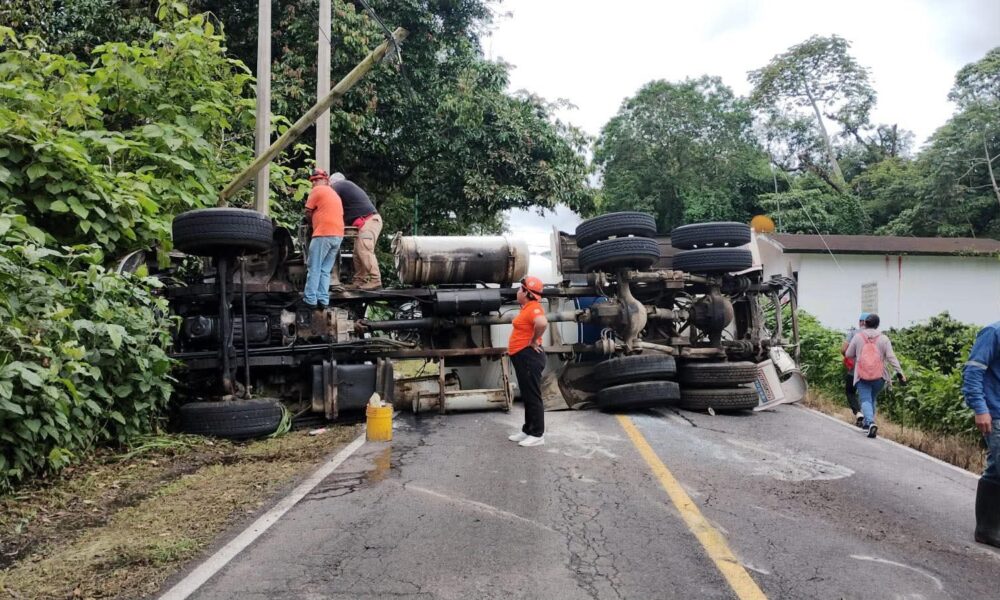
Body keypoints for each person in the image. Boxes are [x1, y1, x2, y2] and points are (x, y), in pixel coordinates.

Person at [961, 320, 1000, 548]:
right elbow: (973, 371)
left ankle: (987, 529)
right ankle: (987, 528)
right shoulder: (993, 332)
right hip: (995, 412)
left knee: (995, 469)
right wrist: (980, 408)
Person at [844, 313, 905, 438]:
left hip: (862, 375)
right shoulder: (884, 339)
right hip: (880, 376)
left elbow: (848, 354)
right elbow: (891, 357)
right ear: (878, 325)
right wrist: (900, 373)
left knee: (865, 399)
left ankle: (870, 422)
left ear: (865, 324)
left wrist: (859, 354)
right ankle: (867, 423)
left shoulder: (858, 337)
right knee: (872, 398)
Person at [506, 276, 549, 448]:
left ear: (526, 292)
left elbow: (542, 323)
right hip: (522, 357)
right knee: (527, 395)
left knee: (532, 396)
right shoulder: (527, 308)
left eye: (519, 289)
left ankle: (538, 434)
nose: (517, 291)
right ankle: (528, 430)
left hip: (529, 357)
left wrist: (533, 341)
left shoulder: (534, 308)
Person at [330, 173, 382, 290]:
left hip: (369, 221)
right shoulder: (345, 189)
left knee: (364, 249)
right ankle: (359, 280)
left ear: (333, 182)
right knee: (357, 253)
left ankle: (375, 280)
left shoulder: (339, 185)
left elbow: (330, 203)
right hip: (367, 222)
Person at [302, 169, 344, 308]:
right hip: (338, 235)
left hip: (323, 234)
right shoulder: (334, 194)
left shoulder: (317, 190)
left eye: (317, 180)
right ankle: (323, 300)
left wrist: (311, 224)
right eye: (313, 180)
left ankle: (310, 299)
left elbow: (308, 211)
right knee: (325, 269)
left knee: (314, 267)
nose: (314, 183)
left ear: (325, 180)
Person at [841, 313, 868, 427]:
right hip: (870, 370)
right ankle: (867, 419)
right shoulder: (877, 335)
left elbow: (843, 349)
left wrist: (850, 358)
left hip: (854, 369)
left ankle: (858, 413)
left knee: (850, 391)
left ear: (860, 322)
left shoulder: (853, 333)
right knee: (866, 394)